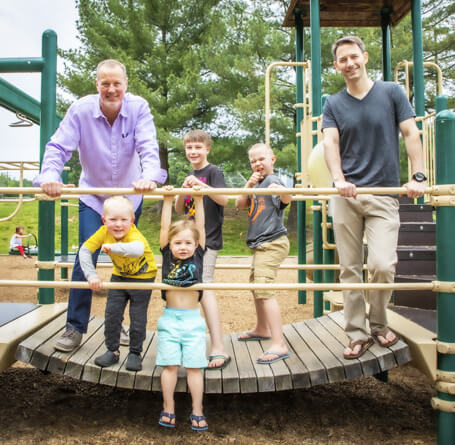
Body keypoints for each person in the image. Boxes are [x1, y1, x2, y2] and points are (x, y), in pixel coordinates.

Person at [33, 59, 166, 352]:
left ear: (125, 84)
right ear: (97, 85)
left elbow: (148, 146)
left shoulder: (138, 108)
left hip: (130, 199)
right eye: (105, 83)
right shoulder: (81, 110)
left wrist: (148, 177)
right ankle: (75, 327)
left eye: (116, 83)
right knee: (86, 252)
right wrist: (50, 177)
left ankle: (119, 324)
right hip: (94, 197)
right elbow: (58, 147)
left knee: (128, 259)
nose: (111, 89)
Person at [322, 36, 426, 359]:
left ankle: (379, 323)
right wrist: (338, 179)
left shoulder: (391, 92)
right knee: (350, 268)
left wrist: (418, 175)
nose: (350, 63)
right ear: (337, 65)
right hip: (347, 195)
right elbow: (330, 143)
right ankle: (357, 333)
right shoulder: (333, 103)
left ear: (365, 57)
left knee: (382, 264)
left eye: (354, 57)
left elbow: (410, 133)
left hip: (383, 193)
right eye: (343, 60)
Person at [79, 196, 156, 371]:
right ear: (104, 220)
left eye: (124, 220)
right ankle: (112, 351)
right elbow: (84, 250)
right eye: (113, 220)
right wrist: (91, 275)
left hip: (143, 277)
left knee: (137, 317)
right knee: (112, 314)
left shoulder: (134, 234)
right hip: (120, 276)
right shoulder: (103, 232)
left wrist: (111, 248)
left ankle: (135, 353)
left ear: (132, 220)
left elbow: (136, 250)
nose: (119, 224)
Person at [174, 130, 231, 370]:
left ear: (207, 149)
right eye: (189, 148)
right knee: (187, 289)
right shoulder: (190, 174)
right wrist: (180, 190)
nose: (193, 152)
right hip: (189, 241)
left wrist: (198, 184)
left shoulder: (213, 172)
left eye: (198, 147)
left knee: (204, 286)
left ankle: (218, 345)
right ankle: (189, 342)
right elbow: (180, 209)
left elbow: (223, 199)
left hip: (208, 240)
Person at [157, 187, 208, 431]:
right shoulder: (167, 255)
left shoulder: (198, 255)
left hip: (192, 320)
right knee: (170, 366)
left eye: (188, 243)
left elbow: (202, 228)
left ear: (196, 244)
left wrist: (198, 200)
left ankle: (197, 409)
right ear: (171, 244)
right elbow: (164, 230)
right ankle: (169, 407)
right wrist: (167, 202)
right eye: (178, 243)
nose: (183, 247)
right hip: (169, 319)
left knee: (194, 367)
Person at [235, 143, 291, 364]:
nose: (257, 163)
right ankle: (262, 328)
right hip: (261, 243)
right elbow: (240, 204)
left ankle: (279, 343)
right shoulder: (256, 183)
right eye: (253, 161)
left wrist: (282, 192)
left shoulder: (273, 181)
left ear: (272, 160)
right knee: (256, 286)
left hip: (272, 242)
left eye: (262, 159)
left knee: (264, 289)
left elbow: (287, 199)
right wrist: (248, 184)